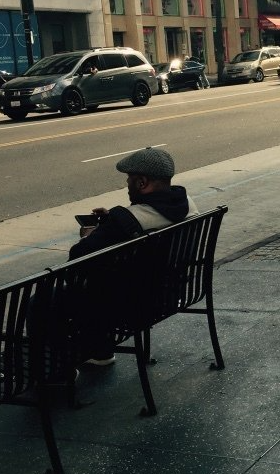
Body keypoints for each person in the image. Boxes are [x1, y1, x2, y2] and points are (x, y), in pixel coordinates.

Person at [67, 148, 198, 366]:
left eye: (129, 179)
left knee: (45, 301)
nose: (126, 183)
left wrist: (92, 235)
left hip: (134, 303)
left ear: (141, 182)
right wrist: (112, 221)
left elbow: (78, 258)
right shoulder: (186, 204)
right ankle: (99, 351)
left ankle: (56, 375)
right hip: (172, 291)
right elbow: (149, 220)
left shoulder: (127, 220)